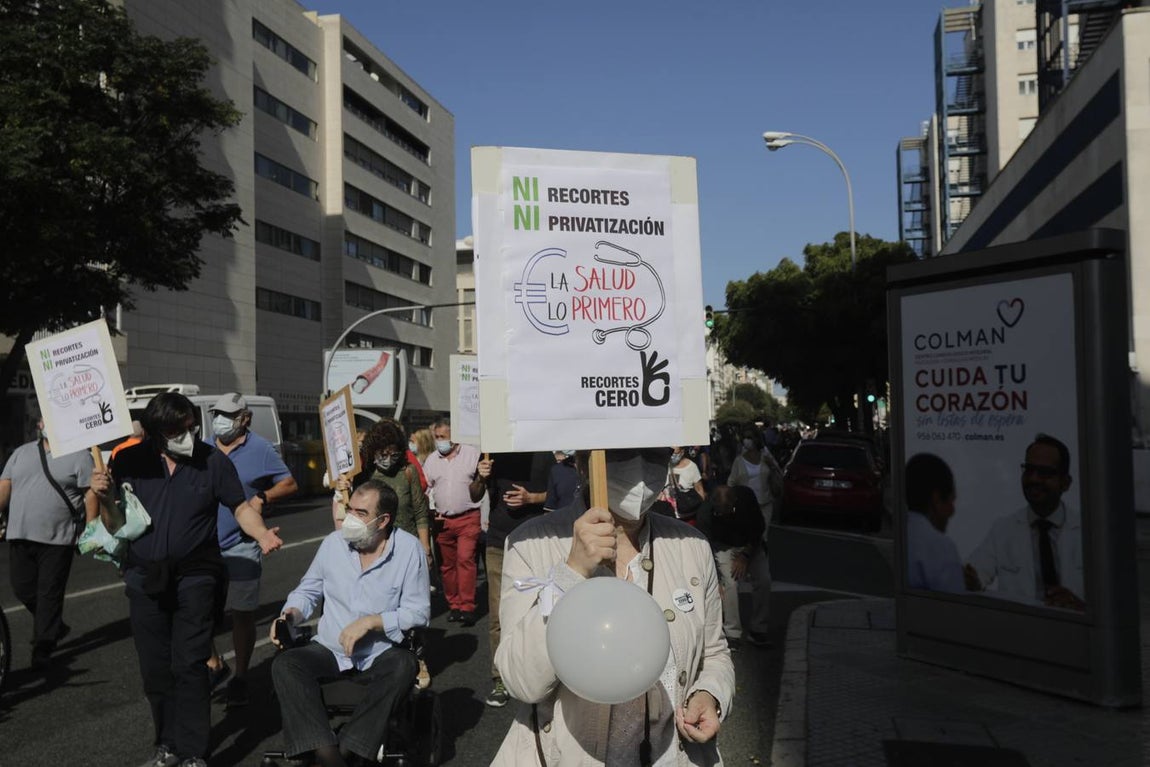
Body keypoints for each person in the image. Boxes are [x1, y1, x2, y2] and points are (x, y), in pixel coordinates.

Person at [492, 447, 735, 766]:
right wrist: (571, 572)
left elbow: (714, 653)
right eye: (620, 454)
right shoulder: (531, 544)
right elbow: (522, 681)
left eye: (654, 454)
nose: (639, 465)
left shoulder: (690, 545)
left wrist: (710, 694)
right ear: (582, 462)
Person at [91, 392, 283, 767]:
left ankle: (195, 751)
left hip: (197, 575)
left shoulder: (212, 461)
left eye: (190, 428)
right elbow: (116, 523)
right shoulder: (129, 460)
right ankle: (167, 744)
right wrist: (105, 497)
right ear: (154, 432)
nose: (186, 436)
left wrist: (261, 534)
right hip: (145, 577)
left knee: (189, 662)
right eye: (177, 430)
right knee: (154, 668)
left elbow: (240, 507)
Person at [269, 481, 429, 767]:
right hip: (331, 648)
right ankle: (329, 754)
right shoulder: (334, 544)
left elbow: (418, 613)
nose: (351, 518)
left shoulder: (408, 550)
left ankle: (345, 749)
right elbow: (308, 590)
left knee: (404, 665)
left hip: (380, 652)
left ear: (383, 520)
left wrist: (373, 622)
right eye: (350, 509)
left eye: (361, 513)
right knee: (286, 664)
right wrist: (289, 615)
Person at [204, 392, 299, 707]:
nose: (220, 420)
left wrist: (263, 497)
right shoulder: (203, 447)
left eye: (228, 415)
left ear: (244, 418)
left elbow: (289, 483)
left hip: (243, 543)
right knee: (198, 613)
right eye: (217, 413)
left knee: (242, 615)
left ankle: (241, 677)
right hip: (205, 545)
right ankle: (216, 664)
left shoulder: (259, 448)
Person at [0, 410, 97, 669]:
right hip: (20, 534)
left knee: (49, 593)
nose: (46, 424)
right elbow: (5, 487)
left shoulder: (80, 456)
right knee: (22, 588)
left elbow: (90, 494)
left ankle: (42, 646)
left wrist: (90, 528)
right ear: (39, 424)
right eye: (43, 420)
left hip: (59, 538)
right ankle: (54, 625)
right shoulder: (21, 453)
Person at [964, 434, 1084, 609]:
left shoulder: (1089, 531)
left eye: (1044, 473)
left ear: (1065, 483)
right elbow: (976, 572)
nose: (1034, 479)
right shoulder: (1003, 529)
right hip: (1020, 630)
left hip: (1076, 632)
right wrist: (970, 580)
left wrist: (1081, 606)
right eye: (1029, 470)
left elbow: (1114, 602)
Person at [477, 451, 553, 708]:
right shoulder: (492, 453)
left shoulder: (544, 454)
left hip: (535, 542)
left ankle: (538, 673)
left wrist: (533, 498)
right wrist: (480, 475)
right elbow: (475, 494)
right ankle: (500, 677)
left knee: (539, 611)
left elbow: (564, 493)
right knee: (498, 613)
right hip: (498, 543)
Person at [421, 419, 485, 626]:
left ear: (454, 436)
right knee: (447, 565)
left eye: (443, 437)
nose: (439, 441)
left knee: (465, 559)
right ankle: (454, 605)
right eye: (436, 437)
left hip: (468, 517)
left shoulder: (472, 454)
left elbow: (482, 482)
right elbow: (427, 488)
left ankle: (467, 606)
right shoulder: (431, 460)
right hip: (442, 521)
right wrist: (431, 510)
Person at [696, 484, 769, 649]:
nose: (723, 515)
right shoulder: (705, 514)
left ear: (735, 501)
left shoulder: (746, 497)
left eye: (728, 511)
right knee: (729, 583)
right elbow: (705, 546)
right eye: (719, 512)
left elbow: (759, 528)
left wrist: (745, 555)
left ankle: (758, 629)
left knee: (763, 580)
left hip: (750, 543)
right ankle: (732, 633)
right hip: (723, 546)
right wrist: (716, 577)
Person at [904, 453, 963, 593]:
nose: (952, 511)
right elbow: (955, 608)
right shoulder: (941, 547)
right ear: (936, 499)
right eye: (951, 500)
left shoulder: (902, 535)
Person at [665, 445, 706, 523]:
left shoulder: (692, 467)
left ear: (682, 452)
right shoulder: (664, 465)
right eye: (670, 451)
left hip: (688, 515)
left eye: (675, 452)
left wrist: (701, 511)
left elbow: (699, 489)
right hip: (669, 515)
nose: (672, 454)